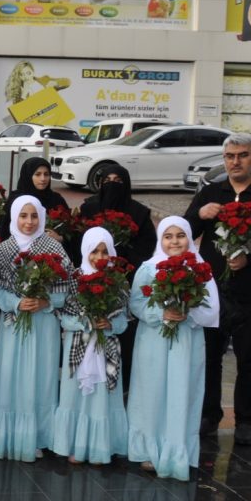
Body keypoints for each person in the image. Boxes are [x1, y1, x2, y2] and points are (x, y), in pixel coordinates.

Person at [185, 132, 251, 445]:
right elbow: (183, 230)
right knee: (209, 357)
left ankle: (246, 420)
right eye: (230, 156)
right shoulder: (212, 192)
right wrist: (199, 214)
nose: (236, 162)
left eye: (243, 155)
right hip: (212, 291)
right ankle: (209, 415)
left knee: (250, 358)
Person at [127, 217, 219, 480]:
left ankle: (177, 449)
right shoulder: (148, 268)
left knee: (182, 390)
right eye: (168, 236)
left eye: (180, 235)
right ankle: (148, 449)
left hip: (186, 340)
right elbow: (136, 304)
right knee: (151, 391)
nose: (175, 241)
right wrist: (162, 313)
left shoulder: (199, 269)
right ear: (160, 240)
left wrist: (186, 312)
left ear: (189, 238)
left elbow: (211, 308)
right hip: (153, 339)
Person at [0, 196, 70, 461]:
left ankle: (37, 436)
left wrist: (46, 301)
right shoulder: (4, 249)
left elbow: (68, 288)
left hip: (44, 324)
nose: (29, 221)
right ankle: (6, 434)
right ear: (14, 217)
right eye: (23, 215)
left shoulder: (53, 248)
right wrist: (15, 302)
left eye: (34, 216)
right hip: (13, 323)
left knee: (41, 376)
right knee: (10, 375)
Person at [51, 227, 129, 465]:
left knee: (102, 396)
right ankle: (75, 444)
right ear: (85, 250)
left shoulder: (117, 281)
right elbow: (63, 317)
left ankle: (99, 447)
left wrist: (109, 324)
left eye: (105, 252)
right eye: (94, 251)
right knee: (76, 395)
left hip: (107, 347)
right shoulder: (74, 278)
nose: (99, 257)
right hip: (78, 345)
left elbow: (124, 320)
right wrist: (86, 322)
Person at [78, 165, 156, 389]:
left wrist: (119, 254)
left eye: (118, 180)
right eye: (107, 180)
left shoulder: (139, 213)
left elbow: (146, 247)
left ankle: (120, 387)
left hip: (124, 281)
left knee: (122, 337)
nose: (112, 184)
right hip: (89, 279)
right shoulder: (89, 208)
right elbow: (79, 242)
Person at [0, 157, 68, 244]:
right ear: (28, 176)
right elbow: (3, 232)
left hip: (51, 249)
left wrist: (60, 238)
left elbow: (70, 231)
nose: (43, 178)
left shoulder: (56, 199)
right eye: (38, 174)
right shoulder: (16, 200)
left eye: (46, 174)